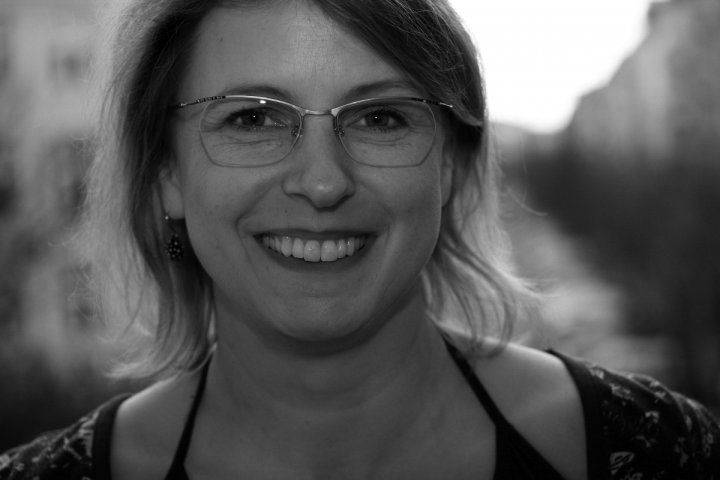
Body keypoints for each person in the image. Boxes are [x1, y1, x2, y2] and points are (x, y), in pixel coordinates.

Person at [1, 0, 719, 479]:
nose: (322, 182)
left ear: (449, 165)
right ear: (166, 175)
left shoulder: (659, 451)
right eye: (252, 118)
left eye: (380, 119)